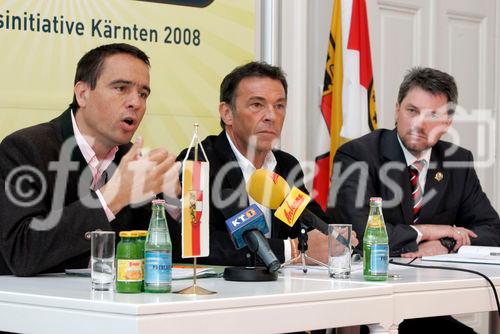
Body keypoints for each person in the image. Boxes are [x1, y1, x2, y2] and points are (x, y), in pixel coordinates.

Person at [331, 67, 500, 333]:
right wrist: (423, 232)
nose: (419, 124)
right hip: (367, 307)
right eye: (412, 111)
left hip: (426, 307)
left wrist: (444, 243)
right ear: (397, 109)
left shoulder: (458, 161)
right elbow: (358, 234)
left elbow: (491, 230)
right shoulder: (357, 155)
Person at [0, 43, 180, 276]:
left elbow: (166, 259)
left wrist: (172, 204)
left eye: (143, 94)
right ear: (82, 94)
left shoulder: (131, 160)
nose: (136, 102)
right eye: (121, 88)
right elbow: (21, 252)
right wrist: (112, 196)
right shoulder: (26, 149)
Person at [175, 61, 352, 267]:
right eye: (257, 105)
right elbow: (199, 245)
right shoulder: (199, 163)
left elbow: (308, 221)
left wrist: (336, 238)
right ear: (227, 113)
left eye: (279, 106)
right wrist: (292, 249)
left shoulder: (286, 165)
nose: (271, 116)